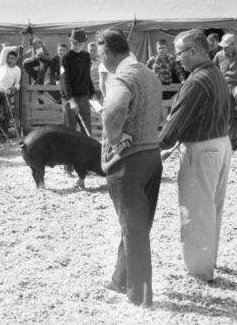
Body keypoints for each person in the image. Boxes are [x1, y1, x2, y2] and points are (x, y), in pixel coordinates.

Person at [160, 29, 232, 283]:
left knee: (196, 208)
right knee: (212, 208)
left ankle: (200, 270)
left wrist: (158, 146)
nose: (177, 59)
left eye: (179, 54)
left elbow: (177, 121)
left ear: (193, 51)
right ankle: (207, 260)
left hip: (201, 148)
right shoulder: (215, 74)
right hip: (220, 143)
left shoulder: (196, 80)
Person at [98, 29, 162, 306]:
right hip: (152, 156)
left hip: (128, 162)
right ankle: (120, 278)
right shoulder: (149, 73)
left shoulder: (121, 77)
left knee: (132, 229)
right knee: (137, 226)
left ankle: (141, 295)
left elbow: (113, 109)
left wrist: (113, 137)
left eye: (98, 53)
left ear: (107, 51)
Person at [60, 28, 95, 135]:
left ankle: (85, 151)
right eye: (75, 43)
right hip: (69, 98)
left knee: (87, 129)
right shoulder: (65, 57)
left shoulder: (86, 56)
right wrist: (70, 99)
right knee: (70, 130)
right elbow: (64, 79)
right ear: (71, 42)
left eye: (80, 43)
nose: (77, 46)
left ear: (84, 43)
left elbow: (87, 76)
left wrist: (92, 92)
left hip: (84, 96)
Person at [0, 46, 21, 135]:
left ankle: (4, 134)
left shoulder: (17, 70)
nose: (10, 60)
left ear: (16, 60)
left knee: (7, 113)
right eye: (9, 58)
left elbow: (17, 83)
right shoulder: (2, 64)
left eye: (12, 58)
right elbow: (4, 50)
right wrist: (15, 47)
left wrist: (14, 88)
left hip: (6, 92)